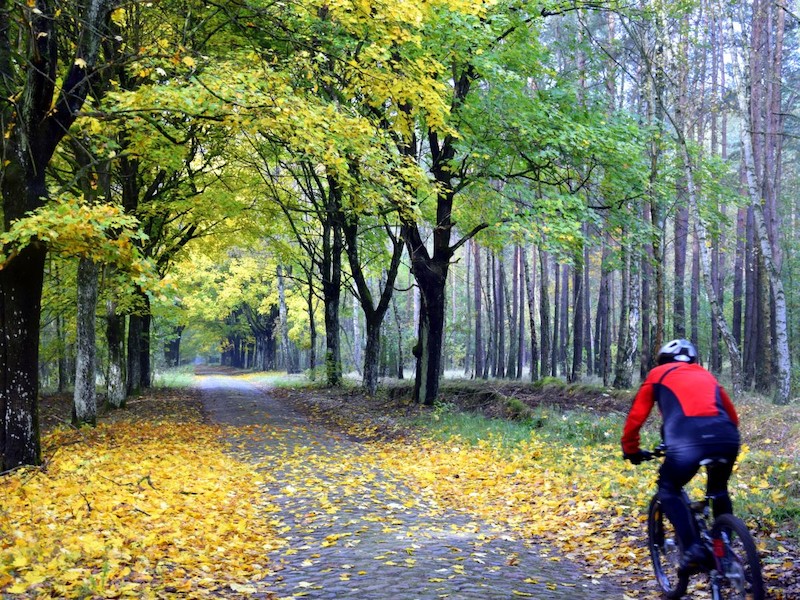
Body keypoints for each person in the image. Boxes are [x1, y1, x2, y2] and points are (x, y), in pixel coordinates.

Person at [621, 338, 740, 576]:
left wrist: (631, 448)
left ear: (663, 360)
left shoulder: (657, 374)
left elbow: (636, 417)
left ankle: (694, 549)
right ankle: (723, 545)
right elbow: (732, 415)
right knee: (718, 490)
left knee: (669, 487)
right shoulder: (706, 375)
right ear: (693, 360)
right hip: (727, 437)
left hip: (687, 442)